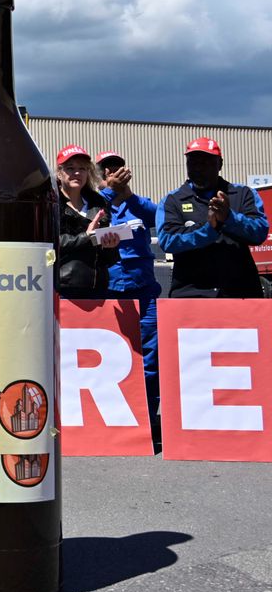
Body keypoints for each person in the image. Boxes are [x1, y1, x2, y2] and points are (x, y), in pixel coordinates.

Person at [96, 150, 163, 427]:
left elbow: (161, 215)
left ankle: (148, 416)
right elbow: (90, 218)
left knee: (150, 354)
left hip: (144, 289)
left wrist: (128, 195)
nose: (113, 172)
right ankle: (112, 418)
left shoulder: (138, 205)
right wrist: (110, 192)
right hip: (110, 291)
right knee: (112, 356)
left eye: (118, 167)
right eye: (107, 169)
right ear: (99, 175)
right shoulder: (97, 204)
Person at [158, 137, 268, 298]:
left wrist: (229, 218)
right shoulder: (172, 200)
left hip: (241, 295)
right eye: (192, 162)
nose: (198, 168)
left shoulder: (243, 194)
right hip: (191, 296)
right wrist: (209, 228)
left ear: (220, 164)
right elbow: (167, 240)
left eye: (205, 163)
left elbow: (260, 232)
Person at [55, 145, 120, 299]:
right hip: (63, 291)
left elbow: (107, 260)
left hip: (98, 289)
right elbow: (50, 243)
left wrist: (111, 246)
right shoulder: (51, 203)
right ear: (59, 173)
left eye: (82, 169)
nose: (77, 173)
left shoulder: (99, 203)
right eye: (70, 168)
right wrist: (86, 236)